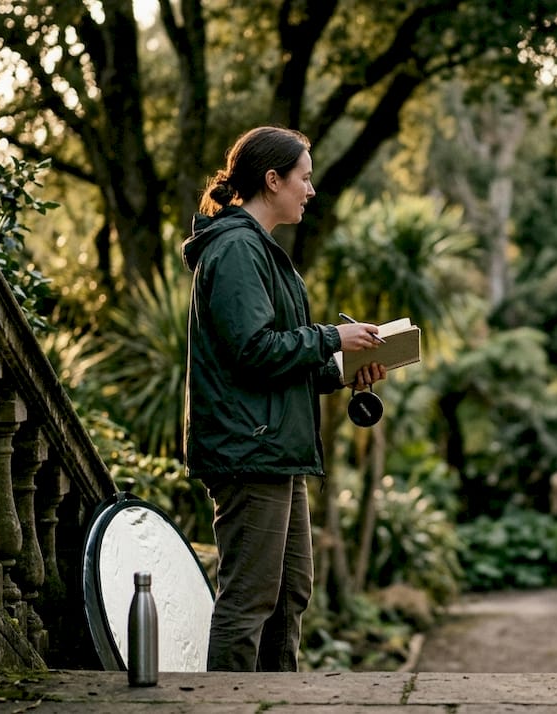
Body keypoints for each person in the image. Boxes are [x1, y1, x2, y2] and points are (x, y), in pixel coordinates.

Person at [182, 126, 387, 672]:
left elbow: (283, 360)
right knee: (249, 601)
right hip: (249, 452)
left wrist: (343, 368)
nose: (311, 190)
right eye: (304, 178)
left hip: (277, 450)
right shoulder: (234, 249)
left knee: (290, 594)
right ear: (272, 181)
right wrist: (329, 337)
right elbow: (253, 350)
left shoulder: (264, 253)